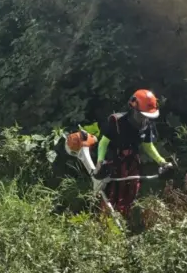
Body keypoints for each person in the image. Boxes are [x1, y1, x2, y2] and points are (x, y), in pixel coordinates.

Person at [68, 89, 174, 217]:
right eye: (142, 115)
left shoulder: (147, 125)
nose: (144, 119)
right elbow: (103, 142)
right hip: (114, 161)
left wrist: (162, 162)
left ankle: (123, 218)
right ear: (133, 108)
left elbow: (148, 146)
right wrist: (100, 162)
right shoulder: (117, 121)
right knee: (110, 193)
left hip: (132, 162)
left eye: (147, 116)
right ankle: (103, 221)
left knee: (131, 192)